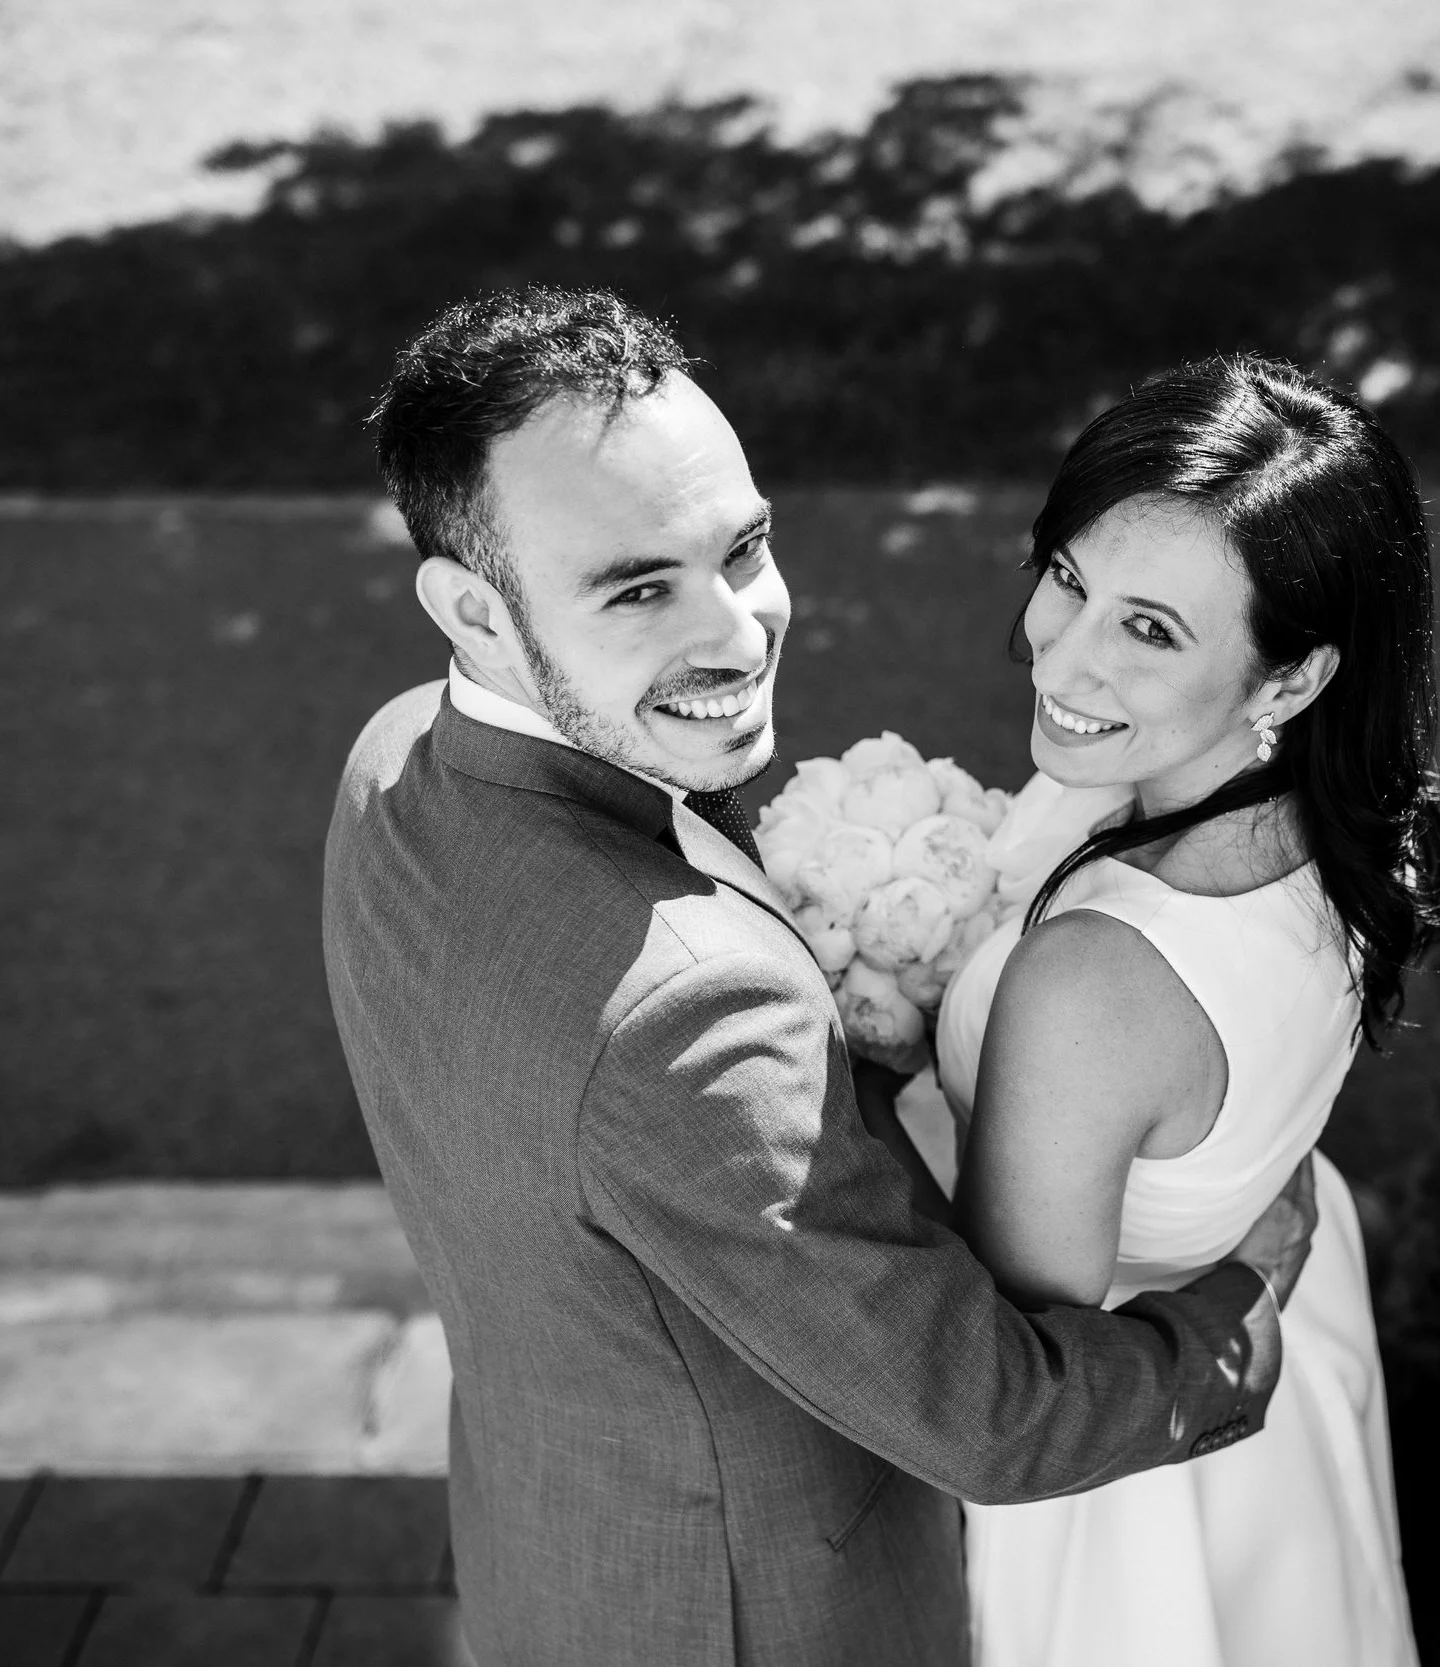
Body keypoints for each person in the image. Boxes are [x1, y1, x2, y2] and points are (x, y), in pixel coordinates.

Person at [320, 286, 1320, 1667]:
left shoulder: (391, 765)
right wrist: (1244, 1312)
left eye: (744, 547)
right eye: (637, 588)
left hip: (555, 1554)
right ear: (475, 613)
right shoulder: (686, 1011)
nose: (736, 629)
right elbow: (994, 1418)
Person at [919, 355, 1440, 1666]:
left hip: (1122, 1479)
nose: (1064, 653)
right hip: (1275, 1369)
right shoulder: (1347, 831)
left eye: (1150, 630)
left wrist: (856, 1069)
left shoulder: (1099, 980)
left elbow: (1014, 1366)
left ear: (1292, 675)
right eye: (1070, 576)